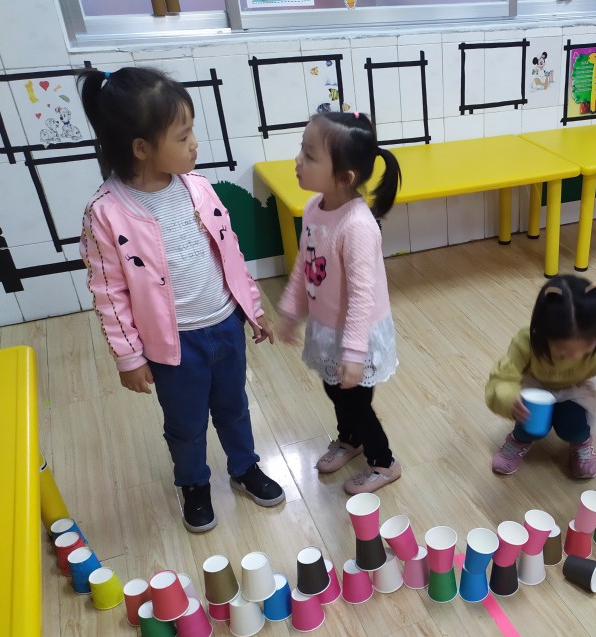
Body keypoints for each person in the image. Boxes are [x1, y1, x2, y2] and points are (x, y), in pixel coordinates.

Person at [77, 67, 284, 534]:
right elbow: (109, 293)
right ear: (142, 148)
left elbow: (229, 251)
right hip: (174, 346)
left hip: (225, 325)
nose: (194, 144)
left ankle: (244, 467)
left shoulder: (198, 187)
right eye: (183, 135)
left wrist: (252, 308)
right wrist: (129, 357)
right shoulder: (106, 213)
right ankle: (193, 483)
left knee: (234, 407)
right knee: (186, 424)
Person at [278, 109, 403, 495]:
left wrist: (353, 353)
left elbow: (363, 298)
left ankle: (383, 462)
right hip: (328, 328)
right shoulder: (314, 208)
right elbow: (305, 264)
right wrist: (291, 311)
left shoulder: (357, 226)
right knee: (335, 391)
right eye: (301, 149)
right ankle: (350, 439)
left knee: (356, 402)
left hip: (357, 336)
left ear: (344, 177)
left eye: (310, 155)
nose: (298, 161)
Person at [486, 275, 596, 479]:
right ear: (542, 334)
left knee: (573, 426)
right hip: (536, 388)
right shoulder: (526, 341)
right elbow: (502, 378)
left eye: (585, 351)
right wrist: (508, 398)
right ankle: (519, 438)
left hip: (577, 390)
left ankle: (581, 442)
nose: (575, 357)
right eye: (563, 353)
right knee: (530, 421)